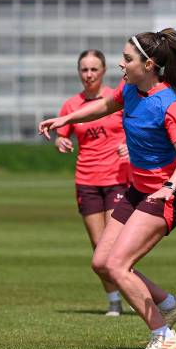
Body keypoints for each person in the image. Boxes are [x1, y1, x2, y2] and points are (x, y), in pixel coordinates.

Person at [39, 26, 176, 349]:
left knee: (119, 265)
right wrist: (66, 119)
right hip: (137, 191)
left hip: (166, 195)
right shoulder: (129, 89)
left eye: (127, 59)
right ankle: (170, 304)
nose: (121, 64)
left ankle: (164, 336)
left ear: (148, 65)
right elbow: (104, 106)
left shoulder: (169, 104)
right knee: (102, 262)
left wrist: (170, 187)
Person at [54, 49, 130, 316]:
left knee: (115, 246)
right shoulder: (71, 105)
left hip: (117, 179)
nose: (88, 75)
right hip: (86, 180)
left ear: (104, 70)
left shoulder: (117, 99)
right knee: (98, 247)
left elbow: (138, 128)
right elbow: (62, 134)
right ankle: (114, 300)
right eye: (84, 69)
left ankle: (133, 289)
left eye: (94, 69)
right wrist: (61, 141)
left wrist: (129, 145)